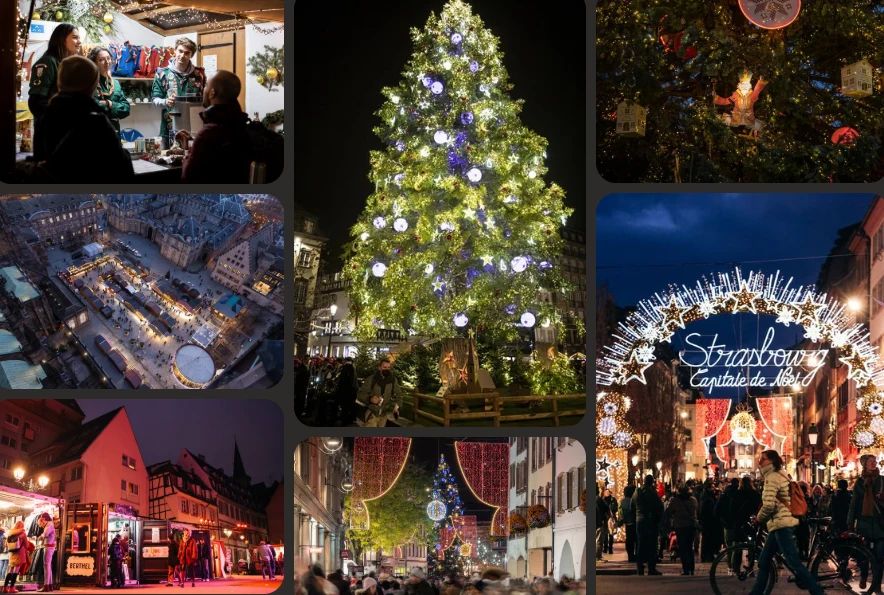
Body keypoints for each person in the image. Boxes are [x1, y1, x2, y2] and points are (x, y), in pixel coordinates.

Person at [32, 55, 134, 183]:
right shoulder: (97, 121)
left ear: (59, 82)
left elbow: (39, 159)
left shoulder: (47, 116)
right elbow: (121, 169)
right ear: (93, 84)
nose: (107, 62)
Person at [749, 449, 823, 595]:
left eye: (763, 459)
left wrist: (758, 519)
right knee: (764, 561)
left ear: (771, 461)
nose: (760, 462)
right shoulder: (781, 474)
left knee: (794, 562)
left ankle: (817, 592)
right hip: (778, 523)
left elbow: (769, 505)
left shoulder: (772, 477)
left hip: (782, 524)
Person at [174, 70, 253, 183]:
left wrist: (188, 153)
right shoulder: (244, 127)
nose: (203, 90)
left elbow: (188, 178)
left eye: (206, 85)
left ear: (212, 93)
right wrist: (190, 145)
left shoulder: (208, 135)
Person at [29, 24, 81, 159]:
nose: (79, 42)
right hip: (49, 136)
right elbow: (36, 102)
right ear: (62, 39)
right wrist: (60, 120)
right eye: (75, 37)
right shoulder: (48, 61)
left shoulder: (67, 64)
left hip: (66, 136)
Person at [151, 37, 206, 148]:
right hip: (169, 129)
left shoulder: (199, 75)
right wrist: (165, 101)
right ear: (175, 51)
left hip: (194, 130)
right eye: (180, 51)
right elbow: (155, 99)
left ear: (191, 55)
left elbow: (206, 100)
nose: (182, 55)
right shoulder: (162, 73)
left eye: (187, 53)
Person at [848, 454, 884, 591]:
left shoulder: (882, 480)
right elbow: (854, 503)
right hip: (864, 523)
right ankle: (863, 576)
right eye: (870, 461)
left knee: (879, 557)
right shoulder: (859, 482)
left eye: (874, 461)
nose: (873, 463)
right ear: (865, 465)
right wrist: (850, 522)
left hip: (880, 524)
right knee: (864, 554)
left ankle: (876, 586)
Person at [88, 47, 130, 135]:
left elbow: (126, 109)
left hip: (115, 131)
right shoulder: (89, 83)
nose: (107, 62)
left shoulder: (115, 84)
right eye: (102, 60)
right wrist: (115, 111)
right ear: (94, 63)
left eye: (108, 58)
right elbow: (93, 107)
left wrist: (109, 103)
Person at [358, 359, 403, 427]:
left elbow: (399, 394)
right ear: (379, 368)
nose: (387, 369)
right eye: (384, 367)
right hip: (371, 414)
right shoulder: (371, 379)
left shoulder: (393, 380)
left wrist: (397, 407)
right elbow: (360, 395)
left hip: (384, 416)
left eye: (388, 368)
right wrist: (370, 399)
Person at [634, 474, 664, 576]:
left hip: (639, 520)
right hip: (650, 521)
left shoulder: (637, 491)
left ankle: (640, 567)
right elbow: (659, 507)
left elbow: (632, 506)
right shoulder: (652, 492)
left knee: (640, 545)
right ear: (652, 482)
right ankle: (651, 568)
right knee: (652, 545)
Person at [667, 484, 698, 575]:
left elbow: (669, 512)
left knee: (683, 548)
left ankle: (686, 569)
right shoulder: (693, 500)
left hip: (680, 526)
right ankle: (691, 568)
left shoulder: (675, 501)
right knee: (689, 547)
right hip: (691, 526)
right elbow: (697, 510)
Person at [4, 521, 28, 594]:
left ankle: (5, 587)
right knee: (16, 571)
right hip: (19, 554)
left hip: (12, 554)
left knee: (10, 570)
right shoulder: (23, 534)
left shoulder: (10, 533)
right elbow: (26, 545)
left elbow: (6, 545)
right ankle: (11, 588)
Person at [35, 513, 57, 592]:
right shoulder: (50, 524)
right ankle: (49, 585)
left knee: (46, 565)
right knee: (48, 566)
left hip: (49, 546)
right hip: (50, 546)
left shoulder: (49, 525)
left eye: (42, 519)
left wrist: (40, 537)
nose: (42, 521)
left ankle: (46, 585)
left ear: (44, 518)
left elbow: (45, 534)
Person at [335, 358, 359, 426]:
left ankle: (345, 421)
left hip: (346, 391)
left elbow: (345, 380)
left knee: (345, 407)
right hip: (352, 391)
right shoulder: (353, 367)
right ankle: (350, 419)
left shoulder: (347, 367)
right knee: (350, 406)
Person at [618, 485, 637, 562]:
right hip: (634, 522)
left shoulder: (622, 502)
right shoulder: (634, 500)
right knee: (636, 539)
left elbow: (620, 513)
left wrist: (621, 520)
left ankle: (630, 555)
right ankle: (635, 555)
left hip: (627, 523)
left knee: (629, 540)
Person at [595, 485, 610, 561]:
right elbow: (606, 508)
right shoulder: (599, 499)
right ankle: (598, 556)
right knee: (599, 540)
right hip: (598, 522)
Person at [602, 489, 618, 555]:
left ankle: (610, 548)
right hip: (605, 519)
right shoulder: (603, 500)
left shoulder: (613, 499)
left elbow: (615, 508)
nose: (607, 493)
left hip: (611, 518)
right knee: (605, 534)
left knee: (611, 533)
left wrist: (610, 509)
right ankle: (605, 548)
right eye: (605, 492)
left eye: (608, 492)